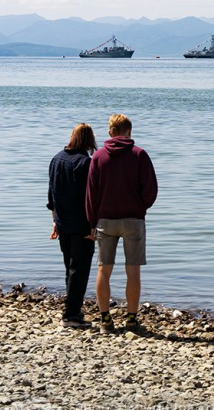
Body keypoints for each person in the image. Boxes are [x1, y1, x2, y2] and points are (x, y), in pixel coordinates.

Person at [86, 114, 158, 334]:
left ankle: (106, 320)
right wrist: (140, 208)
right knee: (133, 271)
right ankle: (132, 320)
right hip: (133, 220)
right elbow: (151, 190)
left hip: (105, 221)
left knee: (103, 270)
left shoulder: (98, 157)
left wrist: (91, 222)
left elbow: (91, 194)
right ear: (129, 131)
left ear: (110, 132)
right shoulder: (139, 155)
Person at [48, 123, 99, 328]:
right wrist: (93, 225)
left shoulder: (56, 159)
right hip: (81, 225)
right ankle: (71, 314)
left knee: (69, 267)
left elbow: (52, 194)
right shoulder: (85, 163)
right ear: (89, 141)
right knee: (80, 268)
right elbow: (90, 198)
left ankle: (72, 309)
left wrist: (54, 220)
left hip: (62, 223)